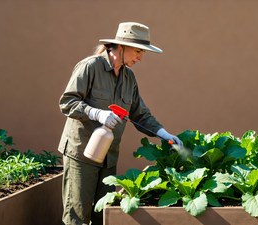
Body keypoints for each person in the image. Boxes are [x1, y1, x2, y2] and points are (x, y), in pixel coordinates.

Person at [58, 22, 182, 225]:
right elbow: (67, 102)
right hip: (81, 154)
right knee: (77, 216)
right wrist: (96, 113)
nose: (140, 57)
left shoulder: (128, 78)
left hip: (108, 156)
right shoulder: (90, 67)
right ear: (121, 47)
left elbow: (140, 115)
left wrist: (164, 134)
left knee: (103, 215)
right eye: (138, 51)